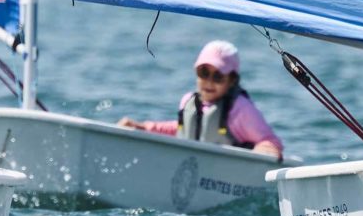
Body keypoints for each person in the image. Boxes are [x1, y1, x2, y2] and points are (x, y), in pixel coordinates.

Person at [116, 40, 284, 157]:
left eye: (218, 76)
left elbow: (270, 141)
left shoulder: (240, 108)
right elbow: (182, 129)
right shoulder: (188, 101)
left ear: (232, 79)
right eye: (204, 73)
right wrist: (144, 127)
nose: (209, 82)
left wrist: (265, 149)